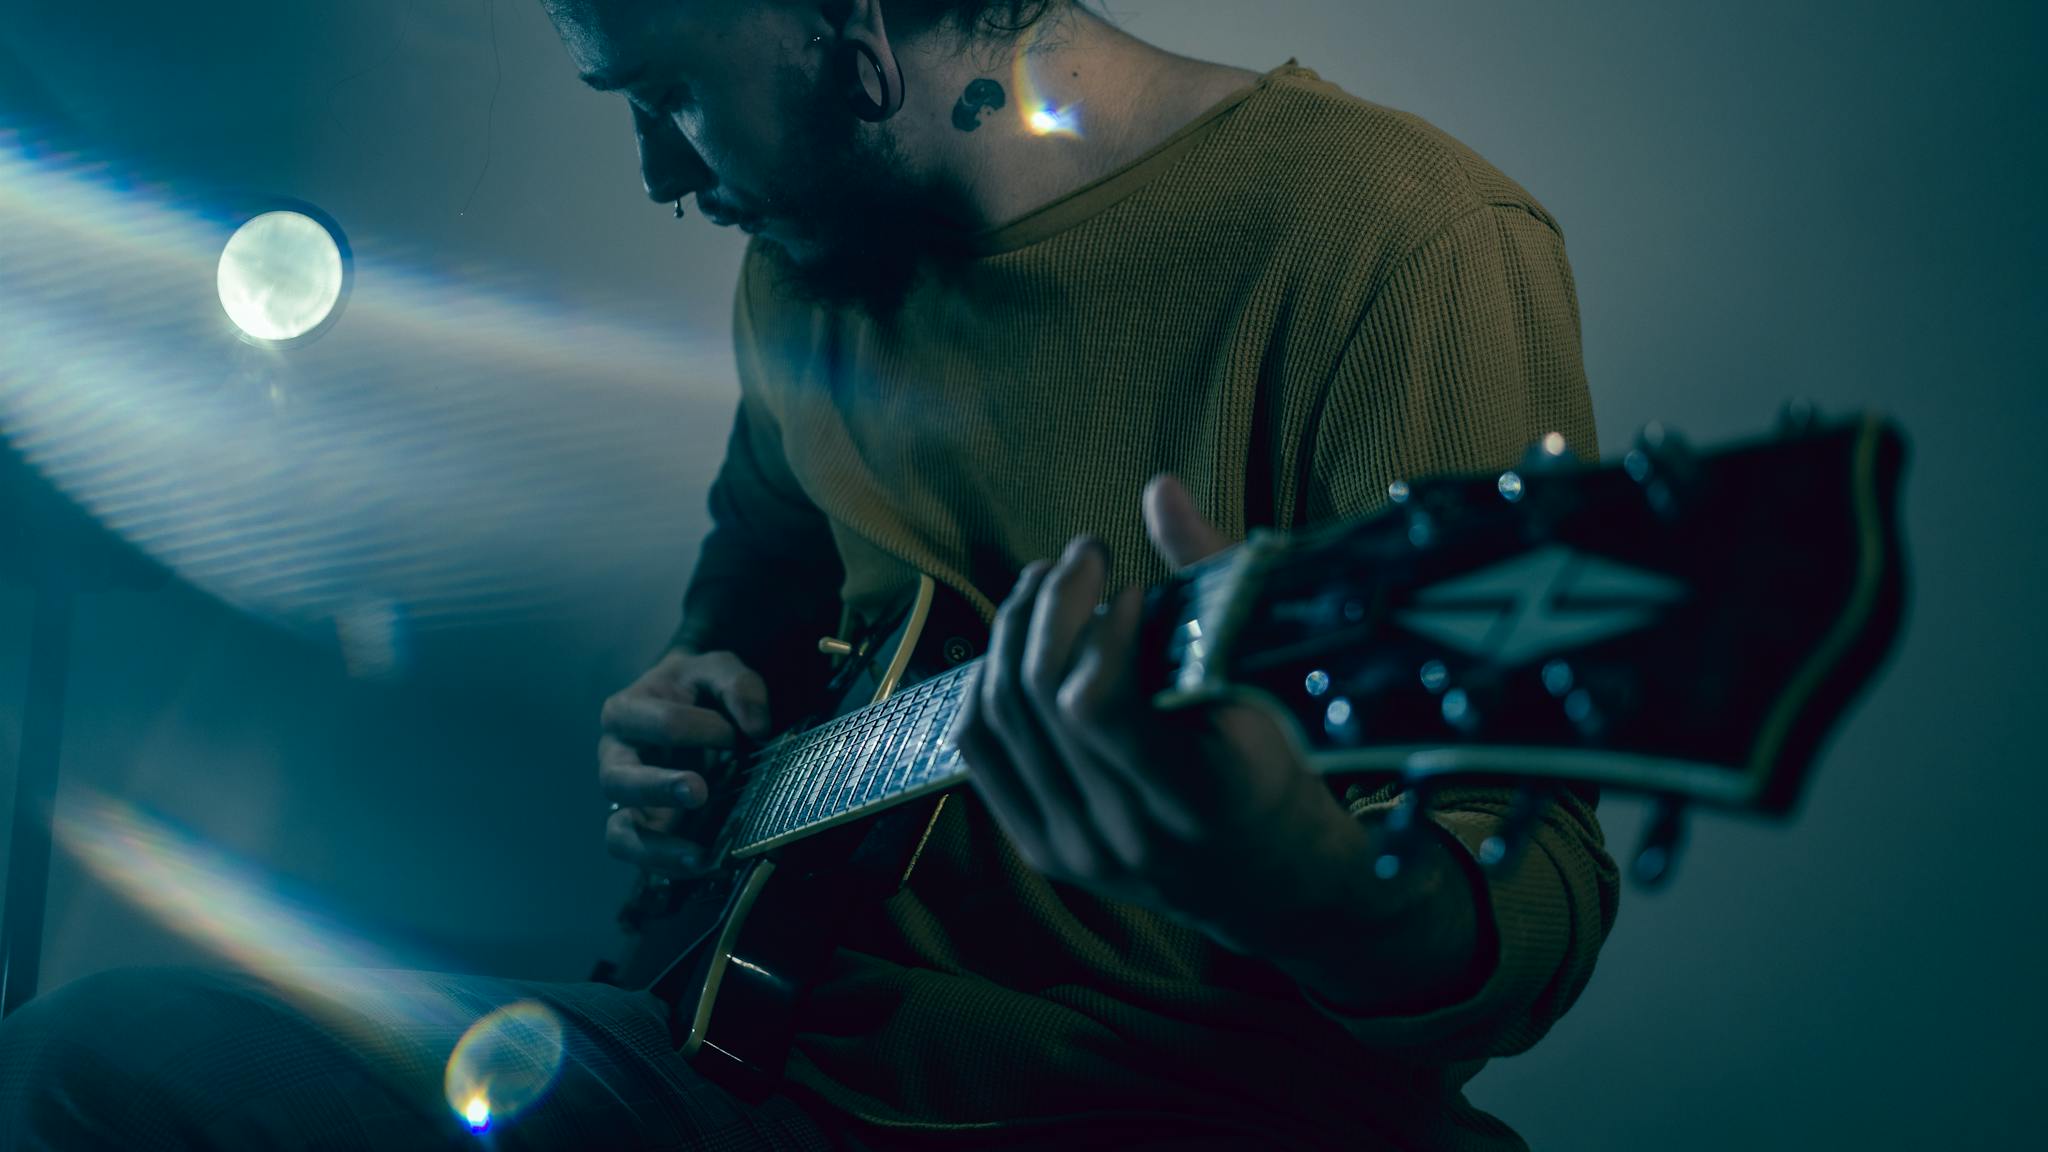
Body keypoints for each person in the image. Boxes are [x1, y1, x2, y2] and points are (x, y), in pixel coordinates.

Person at [0, 2, 1618, 1149]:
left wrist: (1300, 881)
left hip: (1186, 1109)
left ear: (847, 18)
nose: (653, 169)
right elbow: (755, 590)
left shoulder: (1400, 241)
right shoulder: (800, 276)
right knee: (96, 1066)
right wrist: (694, 707)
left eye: (671, 93)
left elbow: (1529, 898)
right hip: (759, 1065)